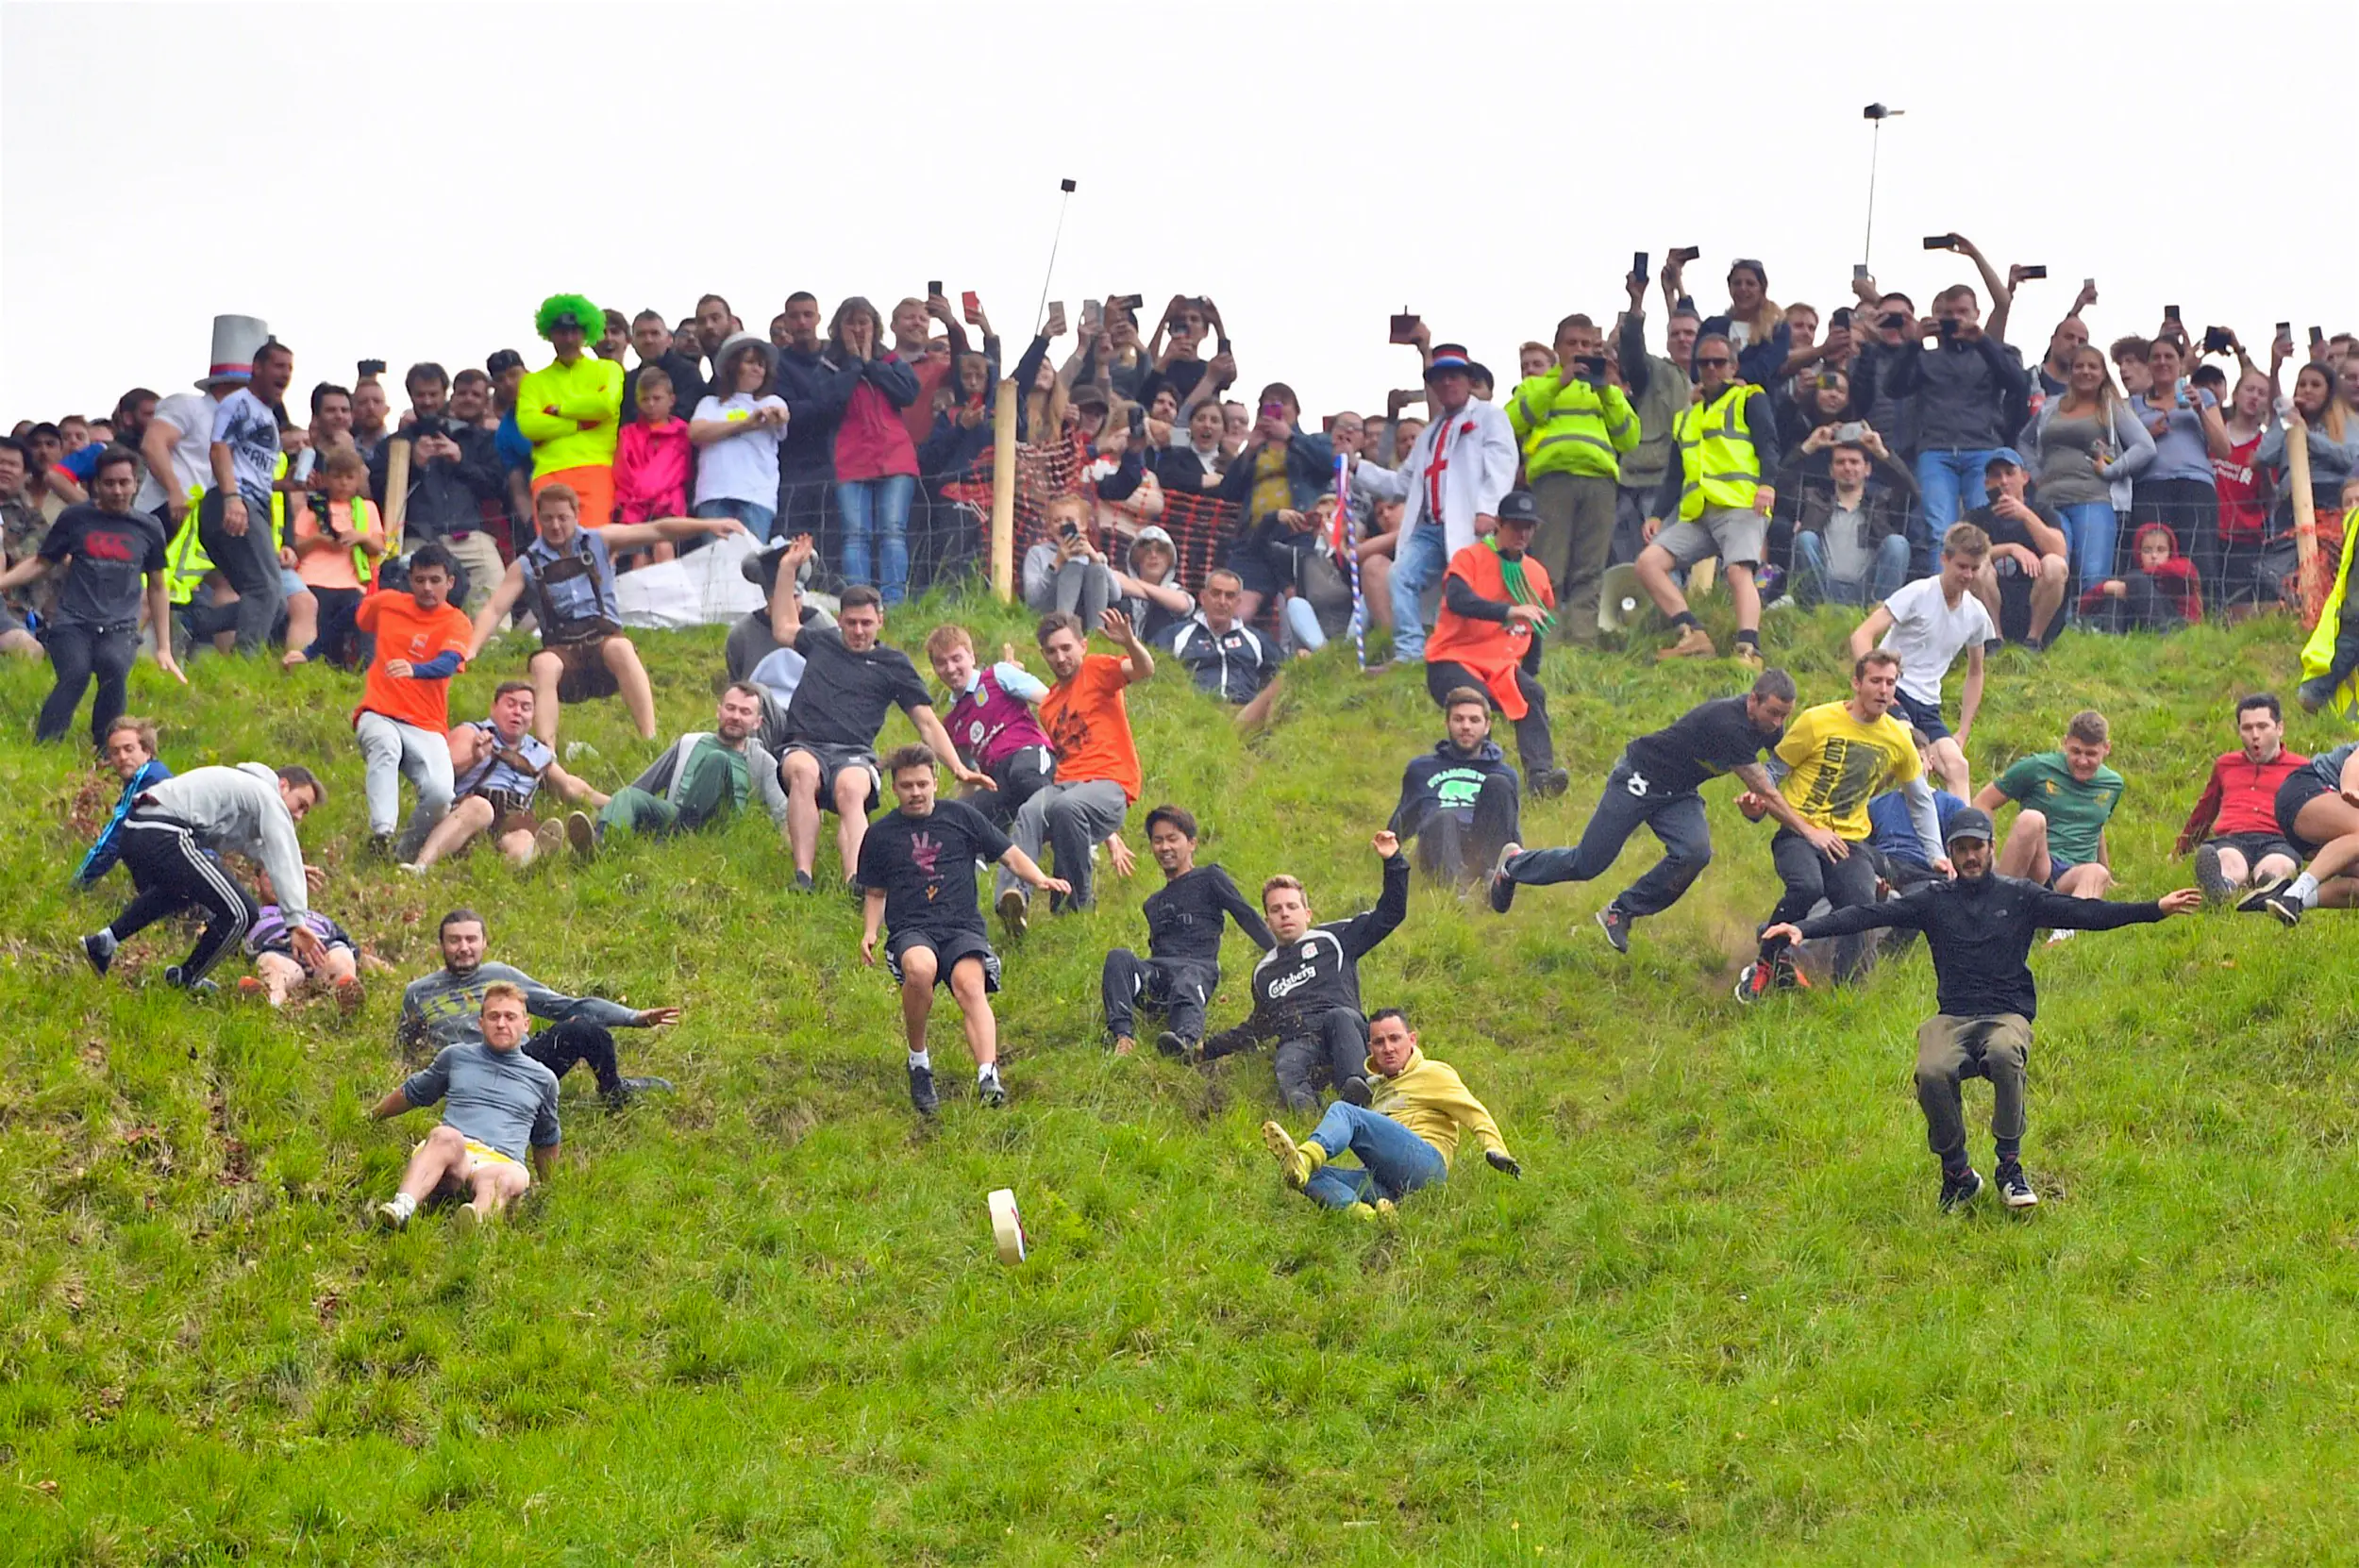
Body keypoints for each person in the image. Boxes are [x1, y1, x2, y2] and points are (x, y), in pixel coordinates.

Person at [1762, 808, 2200, 1210]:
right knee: (1931, 1071)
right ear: (1951, 854)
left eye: (1978, 847)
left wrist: (2155, 910)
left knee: (2005, 1054)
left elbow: (2089, 914)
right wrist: (1803, 928)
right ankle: (1957, 1174)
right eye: (1961, 849)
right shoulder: (1934, 900)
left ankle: (2010, 1167)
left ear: (1992, 847)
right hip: (1952, 1018)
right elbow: (1865, 915)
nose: (1971, 856)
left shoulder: (2021, 896)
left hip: (2006, 1015)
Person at [1491, 669, 1805, 954]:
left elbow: (1776, 771)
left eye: (1784, 716)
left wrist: (1757, 805)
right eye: (1773, 713)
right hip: (1639, 777)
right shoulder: (1727, 723)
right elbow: (1765, 789)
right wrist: (1808, 832)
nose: (1777, 723)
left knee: (1695, 853)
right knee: (1587, 863)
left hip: (1679, 792)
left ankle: (1621, 911)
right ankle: (1514, 865)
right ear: (1753, 700)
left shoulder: (1768, 727)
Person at [857, 744, 1068, 1115]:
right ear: (894, 788)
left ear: (936, 782)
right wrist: (870, 931)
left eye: (922, 784)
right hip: (912, 928)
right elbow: (875, 892)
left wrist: (1039, 878)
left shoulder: (961, 816)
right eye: (907, 786)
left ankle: (988, 1075)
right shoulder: (880, 834)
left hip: (961, 926)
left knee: (970, 985)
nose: (916, 792)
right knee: (920, 970)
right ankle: (918, 1062)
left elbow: (1008, 852)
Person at [754, 561, 982, 890]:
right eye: (851, 623)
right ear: (839, 620)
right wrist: (788, 567)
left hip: (854, 753)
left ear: (880, 621)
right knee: (804, 772)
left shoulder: (893, 664)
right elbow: (783, 627)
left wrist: (958, 768)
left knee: (852, 789)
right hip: (805, 745)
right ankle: (803, 875)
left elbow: (927, 722)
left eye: (866, 623)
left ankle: (857, 881)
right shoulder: (822, 643)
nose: (858, 631)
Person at [1736, 650, 1945, 1000]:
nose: (1883, 690)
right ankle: (1766, 962)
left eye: (1890, 682)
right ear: (1856, 683)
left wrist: (1936, 854)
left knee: (1861, 907)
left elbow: (1920, 800)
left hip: (1849, 843)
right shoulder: (1817, 721)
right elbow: (1773, 770)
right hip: (1800, 832)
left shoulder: (1897, 738)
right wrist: (1755, 804)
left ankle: (1846, 995)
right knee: (1807, 887)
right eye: (1875, 681)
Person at [466, 483, 746, 744]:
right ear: (538, 517)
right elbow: (495, 608)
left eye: (563, 518)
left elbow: (658, 529)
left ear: (576, 515)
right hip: (561, 651)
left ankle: (649, 741)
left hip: (604, 642)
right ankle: (545, 753)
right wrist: (471, 649)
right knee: (543, 665)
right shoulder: (525, 565)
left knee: (622, 648)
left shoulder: (601, 540)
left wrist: (709, 525)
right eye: (548, 518)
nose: (555, 525)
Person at [1201, 832, 1409, 1114]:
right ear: (1268, 921)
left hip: (1344, 1031)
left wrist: (1393, 861)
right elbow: (1257, 1027)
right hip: (1299, 1041)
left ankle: (1357, 1093)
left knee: (1340, 1017)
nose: (1285, 914)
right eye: (1276, 909)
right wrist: (1206, 1050)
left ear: (1307, 913)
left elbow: (1390, 914)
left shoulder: (1335, 938)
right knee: (1287, 1060)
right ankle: (1308, 1117)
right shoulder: (1264, 973)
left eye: (1291, 906)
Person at [81, 763, 326, 993]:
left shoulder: (241, 790)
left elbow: (260, 847)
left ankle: (103, 942)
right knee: (243, 913)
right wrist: (296, 922)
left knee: (181, 892)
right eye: (301, 804)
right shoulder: (265, 794)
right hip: (164, 832)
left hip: (136, 830)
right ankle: (187, 979)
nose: (299, 816)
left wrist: (292, 868)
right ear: (283, 785)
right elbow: (281, 844)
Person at [397, 908, 676, 1109]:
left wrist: (634, 1017)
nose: (463, 947)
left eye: (471, 939)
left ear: (484, 943)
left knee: (584, 1028)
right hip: (470, 1076)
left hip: (523, 1064)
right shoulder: (418, 992)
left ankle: (615, 1092)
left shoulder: (501, 975)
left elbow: (567, 1007)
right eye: (454, 940)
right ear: (442, 945)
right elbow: (406, 1047)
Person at [0, 447, 182, 746]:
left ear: (135, 484)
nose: (117, 491)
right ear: (96, 484)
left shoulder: (149, 527)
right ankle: (45, 745)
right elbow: (43, 562)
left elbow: (158, 586)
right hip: (73, 621)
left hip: (120, 626)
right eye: (109, 483)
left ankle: (106, 751)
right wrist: (3, 581)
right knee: (76, 673)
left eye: (124, 483)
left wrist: (164, 647)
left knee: (114, 669)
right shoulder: (76, 518)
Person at [1260, 1009, 1519, 1217]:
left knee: (1344, 1112)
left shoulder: (1433, 1072)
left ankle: (1305, 1157)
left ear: (1412, 1040)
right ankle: (1368, 1216)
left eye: (1395, 1038)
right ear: (1370, 1048)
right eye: (1379, 1042)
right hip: (1388, 1180)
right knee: (1309, 1178)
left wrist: (1495, 1149)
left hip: (1426, 1166)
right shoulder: (1378, 1087)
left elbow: (1475, 1112)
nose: (1388, 1048)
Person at [1349, 351, 1517, 663]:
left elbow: (1502, 465)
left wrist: (1488, 509)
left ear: (1469, 381)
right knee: (1400, 576)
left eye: (1454, 376)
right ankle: (1410, 653)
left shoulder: (1489, 417)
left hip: (1469, 523)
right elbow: (1401, 484)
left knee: (1472, 589)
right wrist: (1356, 467)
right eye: (1440, 379)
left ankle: (1480, 652)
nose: (1447, 383)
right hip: (1430, 528)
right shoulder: (1429, 433)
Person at [999, 609, 1155, 929]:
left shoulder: (1097, 669)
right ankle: (1013, 896)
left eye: (1066, 648)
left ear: (1083, 645)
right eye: (1052, 651)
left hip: (1110, 782)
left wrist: (1129, 641)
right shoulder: (1049, 706)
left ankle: (1076, 906)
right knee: (1030, 811)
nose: (1060, 657)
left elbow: (1144, 669)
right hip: (1068, 783)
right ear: (1043, 654)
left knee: (1066, 808)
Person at [1635, 333, 1782, 664]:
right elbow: (1675, 473)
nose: (1712, 368)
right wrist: (1657, 514)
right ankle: (1692, 635)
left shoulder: (1749, 397)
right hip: (1699, 511)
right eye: (1704, 363)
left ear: (1733, 366)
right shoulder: (1687, 416)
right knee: (1648, 563)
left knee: (1738, 572)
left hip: (1741, 504)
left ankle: (1749, 649)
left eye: (1719, 362)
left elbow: (1769, 445)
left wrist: (1767, 485)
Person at [371, 982, 559, 1232]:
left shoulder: (543, 1079)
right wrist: (371, 1117)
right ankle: (402, 1206)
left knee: (505, 1176)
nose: (501, 1024)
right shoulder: (456, 1056)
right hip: (455, 1154)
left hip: (502, 1161)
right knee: (443, 1136)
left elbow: (546, 1137)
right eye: (493, 1016)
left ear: (526, 1025)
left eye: (510, 1017)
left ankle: (475, 1219)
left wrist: (548, 1187)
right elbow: (415, 1091)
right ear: (480, 1023)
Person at [1098, 803, 1274, 1057]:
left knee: (1187, 979)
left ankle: (1185, 1041)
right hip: (1159, 976)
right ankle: (1123, 1036)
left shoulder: (1209, 878)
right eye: (1158, 841)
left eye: (1172, 839)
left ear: (1191, 843)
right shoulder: (1153, 903)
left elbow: (1245, 915)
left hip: (1198, 968)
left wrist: (1279, 952)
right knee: (1118, 957)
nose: (1165, 847)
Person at [1422, 491, 1567, 794]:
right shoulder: (1470, 558)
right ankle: (1475, 777)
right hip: (1451, 659)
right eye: (1516, 526)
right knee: (1476, 699)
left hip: (1500, 666)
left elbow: (1534, 628)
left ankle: (1540, 778)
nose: (1522, 534)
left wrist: (1529, 672)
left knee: (1532, 693)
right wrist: (1509, 612)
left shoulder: (1536, 574)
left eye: (1529, 527)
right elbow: (1459, 600)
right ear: (1498, 524)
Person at [1507, 311, 1640, 640]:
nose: (1579, 350)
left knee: (1590, 569)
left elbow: (1629, 438)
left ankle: (1582, 644)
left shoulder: (1606, 390)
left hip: (1599, 483)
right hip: (1553, 482)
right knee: (1547, 566)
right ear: (1557, 348)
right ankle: (1545, 646)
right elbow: (1512, 421)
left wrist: (1607, 391)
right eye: (1572, 343)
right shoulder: (1536, 384)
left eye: (1586, 344)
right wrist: (1558, 383)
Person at [1849, 524, 1994, 799]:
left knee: (1957, 766)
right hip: (1895, 692)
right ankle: (1852, 810)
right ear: (1945, 559)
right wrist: (1875, 685)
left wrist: (1963, 731)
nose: (1967, 575)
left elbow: (1976, 672)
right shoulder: (1919, 593)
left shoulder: (1976, 614)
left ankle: (1964, 827)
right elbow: (1862, 634)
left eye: (1974, 569)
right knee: (1913, 757)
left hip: (1928, 705)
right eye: (1962, 566)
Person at [1881, 282, 2032, 541]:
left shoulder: (1990, 352)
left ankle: (1982, 570)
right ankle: (1942, 570)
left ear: (1976, 314)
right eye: (1948, 314)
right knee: (1940, 530)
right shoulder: (1925, 357)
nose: (1956, 319)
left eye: (1963, 312)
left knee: (1981, 529)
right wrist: (1914, 342)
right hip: (1935, 450)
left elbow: (2018, 384)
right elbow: (1892, 388)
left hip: (1982, 448)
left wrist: (1982, 340)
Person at [350, 542, 472, 859]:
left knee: (441, 794)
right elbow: (347, 618)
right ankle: (382, 832)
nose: (427, 587)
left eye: (435, 580)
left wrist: (415, 669)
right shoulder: (388, 603)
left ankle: (402, 854)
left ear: (450, 582)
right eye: (420, 580)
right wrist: (309, 652)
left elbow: (448, 663)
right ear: (410, 580)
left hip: (427, 723)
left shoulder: (457, 621)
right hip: (379, 711)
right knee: (385, 746)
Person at [405, 682, 597, 871]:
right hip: (470, 810)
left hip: (514, 818)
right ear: (494, 708)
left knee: (523, 838)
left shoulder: (539, 753)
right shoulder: (472, 732)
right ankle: (421, 865)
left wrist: (608, 802)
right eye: (511, 704)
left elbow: (569, 786)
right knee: (481, 808)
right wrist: (475, 756)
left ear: (532, 717)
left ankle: (523, 863)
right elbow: (440, 772)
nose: (517, 712)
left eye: (526, 708)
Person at [576, 682, 790, 853]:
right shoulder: (689, 742)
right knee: (628, 795)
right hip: (675, 816)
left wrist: (786, 849)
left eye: (745, 712)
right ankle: (602, 845)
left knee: (717, 760)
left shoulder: (763, 761)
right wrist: (606, 803)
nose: (735, 717)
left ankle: (679, 837)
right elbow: (642, 787)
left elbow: (785, 814)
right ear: (719, 711)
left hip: (720, 826)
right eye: (730, 708)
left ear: (757, 723)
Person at [2020, 343, 2154, 596]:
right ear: (2070, 372)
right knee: (2055, 568)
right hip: (2049, 501)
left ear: (2103, 374)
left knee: (2092, 574)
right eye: (2079, 366)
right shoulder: (2051, 407)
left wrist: (2112, 470)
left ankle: (2091, 621)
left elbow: (2145, 447)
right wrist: (2036, 475)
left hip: (2094, 500)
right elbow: (2024, 442)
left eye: (2093, 366)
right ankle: (2057, 621)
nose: (2085, 371)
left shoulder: (2112, 407)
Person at [195, 337, 296, 655]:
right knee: (264, 590)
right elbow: (219, 449)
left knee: (275, 603)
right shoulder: (239, 402)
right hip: (232, 503)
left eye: (290, 368)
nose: (285, 374)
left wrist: (287, 484)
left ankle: (192, 624)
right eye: (279, 366)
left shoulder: (268, 415)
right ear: (258, 367)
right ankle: (245, 662)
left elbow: (250, 471)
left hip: (251, 503)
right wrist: (231, 498)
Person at [1973, 711, 2125, 909]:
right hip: (2038, 865)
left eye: (2091, 754)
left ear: (2106, 749)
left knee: (2097, 873)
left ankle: (2066, 926)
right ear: (2065, 743)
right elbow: (1983, 802)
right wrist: (1988, 857)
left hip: (2072, 874)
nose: (2082, 761)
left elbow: (2096, 825)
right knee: (2031, 819)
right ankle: (1998, 905)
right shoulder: (2037, 767)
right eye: (2076, 751)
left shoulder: (2113, 784)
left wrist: (2106, 871)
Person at [826, 296, 922, 603]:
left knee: (892, 531)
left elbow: (908, 393)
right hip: (850, 458)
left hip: (895, 455)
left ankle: (893, 603)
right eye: (850, 323)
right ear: (838, 327)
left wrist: (871, 364)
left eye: (863, 322)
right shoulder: (829, 364)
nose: (857, 329)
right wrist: (855, 363)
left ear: (875, 327)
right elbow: (829, 402)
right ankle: (859, 602)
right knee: (856, 534)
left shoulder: (891, 361)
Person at [2175, 693, 2309, 905]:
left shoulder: (2301, 768)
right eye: (2247, 728)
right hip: (2233, 837)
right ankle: (2223, 888)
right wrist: (2181, 849)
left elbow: (2318, 813)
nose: (2255, 735)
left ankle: (2270, 887)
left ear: (2279, 728)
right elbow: (2205, 810)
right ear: (2239, 731)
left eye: (2262, 726)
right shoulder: (2225, 765)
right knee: (2228, 861)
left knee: (2278, 865)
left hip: (2278, 839)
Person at [926, 622, 1056, 830]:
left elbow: (1052, 702)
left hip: (1029, 754)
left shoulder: (998, 675)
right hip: (998, 781)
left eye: (956, 659)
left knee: (1024, 775)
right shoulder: (951, 724)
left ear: (971, 657)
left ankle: (1073, 825)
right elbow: (970, 776)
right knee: (960, 818)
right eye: (941, 663)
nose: (950, 668)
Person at [1392, 687, 1522, 887]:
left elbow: (1512, 830)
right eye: (1458, 719)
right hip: (1439, 841)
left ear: (1487, 726)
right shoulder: (1421, 769)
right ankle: (1456, 890)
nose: (1466, 726)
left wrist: (1524, 862)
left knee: (1499, 783)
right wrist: (1388, 851)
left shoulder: (1506, 774)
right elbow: (1401, 822)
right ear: (1447, 723)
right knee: (1445, 817)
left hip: (1482, 844)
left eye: (1474, 720)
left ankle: (1495, 880)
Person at [516, 294, 625, 528]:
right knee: (553, 548)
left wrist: (558, 409)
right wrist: (579, 423)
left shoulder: (608, 369)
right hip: (548, 472)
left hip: (596, 469)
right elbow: (529, 425)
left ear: (586, 333)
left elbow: (605, 405)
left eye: (575, 331)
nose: (568, 339)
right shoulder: (532, 381)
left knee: (594, 542)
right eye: (561, 332)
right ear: (549, 334)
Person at [1783, 437, 1915, 609]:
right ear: (1831, 470)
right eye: (1840, 462)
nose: (1847, 467)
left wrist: (1882, 453)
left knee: (1898, 543)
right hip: (1822, 590)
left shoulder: (1881, 504)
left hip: (1865, 591)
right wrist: (1808, 446)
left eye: (1854, 462)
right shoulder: (1813, 499)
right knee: (1805, 538)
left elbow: (1911, 492)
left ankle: (1879, 614)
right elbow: (1781, 485)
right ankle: (1816, 612)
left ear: (1867, 469)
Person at [285, 447, 382, 667]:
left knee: (360, 627)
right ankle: (313, 668)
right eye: (337, 476)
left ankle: (364, 670)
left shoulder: (367, 508)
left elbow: (378, 547)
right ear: (325, 478)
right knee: (320, 632)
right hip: (313, 580)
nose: (343, 483)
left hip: (352, 585)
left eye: (349, 477)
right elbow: (295, 548)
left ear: (358, 479)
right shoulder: (313, 507)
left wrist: (360, 537)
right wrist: (319, 539)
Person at [1961, 452, 2071, 646]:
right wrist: (2010, 549)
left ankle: (2034, 641)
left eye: (2010, 473)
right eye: (1996, 475)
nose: (2003, 481)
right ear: (1987, 483)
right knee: (1977, 564)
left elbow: (2060, 551)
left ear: (2025, 478)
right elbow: (1962, 556)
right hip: (1992, 606)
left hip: (2035, 604)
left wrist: (2026, 516)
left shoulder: (2043, 512)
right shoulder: (1975, 518)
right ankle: (1994, 639)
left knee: (2055, 564)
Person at [690, 332, 790, 542]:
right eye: (750, 362)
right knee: (717, 559)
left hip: (756, 497)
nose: (757, 369)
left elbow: (780, 416)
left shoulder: (771, 401)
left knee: (750, 560)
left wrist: (773, 416)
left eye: (761, 365)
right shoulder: (710, 403)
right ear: (733, 366)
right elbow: (695, 433)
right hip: (714, 494)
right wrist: (746, 424)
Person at [2250, 741, 2359, 926]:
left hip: (2323, 832)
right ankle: (2295, 894)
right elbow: (2354, 762)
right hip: (2307, 791)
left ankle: (2287, 898)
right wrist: (2351, 788)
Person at [1159, 568, 1282, 715]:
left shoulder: (1256, 639)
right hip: (1195, 711)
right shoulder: (1177, 635)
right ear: (1203, 598)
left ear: (1237, 603)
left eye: (1229, 596)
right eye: (1216, 594)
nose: (1222, 602)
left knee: (1282, 678)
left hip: (1245, 714)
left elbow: (1287, 668)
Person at [75, 715, 173, 890]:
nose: (122, 757)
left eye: (129, 749)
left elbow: (114, 838)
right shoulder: (156, 773)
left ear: (147, 751)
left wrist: (78, 882)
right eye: (115, 752)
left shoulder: (147, 778)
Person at [240, 892, 362, 1011]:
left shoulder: (315, 915)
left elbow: (345, 941)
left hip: (320, 946)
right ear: (257, 884)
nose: (280, 884)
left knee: (341, 957)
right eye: (271, 879)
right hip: (277, 948)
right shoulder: (251, 913)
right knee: (274, 968)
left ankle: (347, 990)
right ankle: (270, 997)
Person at [2077, 522, 2201, 632]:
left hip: (2177, 622)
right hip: (2140, 620)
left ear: (2171, 552)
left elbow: (2187, 571)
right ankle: (2110, 635)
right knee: (2116, 595)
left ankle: (2162, 633)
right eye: (2147, 550)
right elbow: (2083, 604)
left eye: (2161, 550)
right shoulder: (2134, 577)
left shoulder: (2183, 566)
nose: (2154, 556)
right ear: (2138, 553)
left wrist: (2130, 581)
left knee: (2135, 580)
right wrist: (2105, 588)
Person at [612, 368, 692, 540]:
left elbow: (677, 473)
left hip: (668, 505)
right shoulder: (628, 433)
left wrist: (642, 495)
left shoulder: (683, 433)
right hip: (632, 507)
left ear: (671, 400)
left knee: (664, 548)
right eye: (645, 399)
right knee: (636, 552)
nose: (651, 404)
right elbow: (622, 473)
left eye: (657, 398)